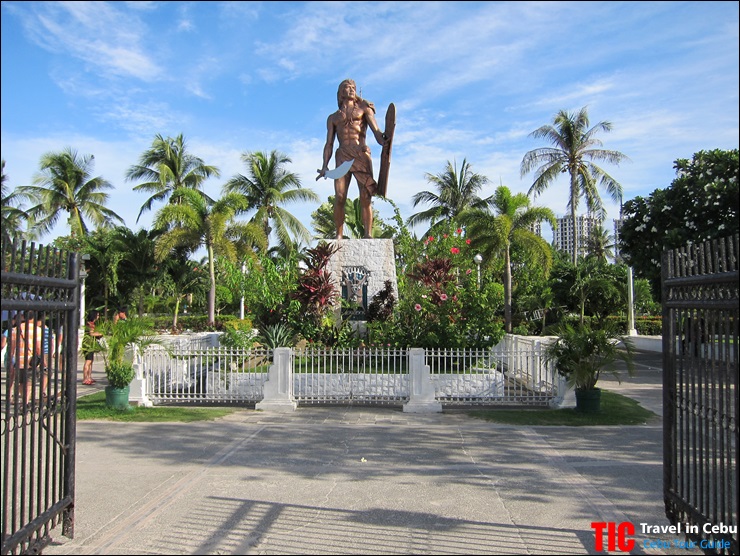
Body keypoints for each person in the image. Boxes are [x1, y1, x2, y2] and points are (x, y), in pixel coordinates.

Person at [316, 79, 387, 239]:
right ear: (341, 92)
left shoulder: (364, 109)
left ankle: (368, 234)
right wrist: (324, 166)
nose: (352, 89)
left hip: (361, 154)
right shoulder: (333, 118)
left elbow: (376, 130)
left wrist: (383, 138)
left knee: (365, 196)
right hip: (342, 156)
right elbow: (329, 143)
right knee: (340, 197)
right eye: (347, 87)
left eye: (353, 87)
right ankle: (339, 234)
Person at [7, 311, 43, 406]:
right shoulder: (37, 330)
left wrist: (11, 359)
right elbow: (38, 347)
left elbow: (12, 347)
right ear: (33, 318)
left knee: (21, 383)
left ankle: (23, 400)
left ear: (23, 317)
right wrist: (39, 358)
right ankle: (25, 402)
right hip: (31, 361)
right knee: (29, 383)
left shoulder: (16, 330)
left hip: (19, 360)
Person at [81, 310, 102, 385]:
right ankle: (85, 378)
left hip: (91, 344)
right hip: (88, 344)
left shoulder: (93, 324)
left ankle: (89, 377)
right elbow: (91, 334)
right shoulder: (89, 324)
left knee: (91, 361)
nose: (98, 317)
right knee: (88, 361)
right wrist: (100, 333)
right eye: (97, 315)